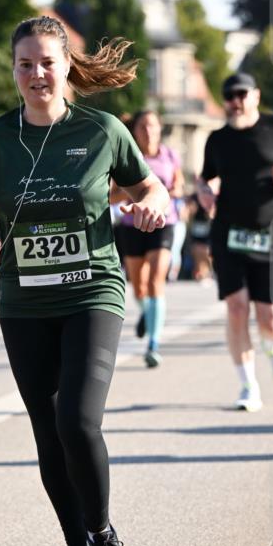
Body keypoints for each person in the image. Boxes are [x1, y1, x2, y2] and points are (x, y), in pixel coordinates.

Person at [0, 15, 169, 546]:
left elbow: (149, 185)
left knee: (77, 419)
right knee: (47, 430)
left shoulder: (102, 130)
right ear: (14, 70)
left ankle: (103, 533)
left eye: (47, 62)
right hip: (24, 302)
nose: (37, 74)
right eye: (25, 64)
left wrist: (155, 205)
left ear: (67, 65)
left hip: (93, 290)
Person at [197, 73, 273, 412]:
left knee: (270, 316)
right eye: (229, 95)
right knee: (237, 307)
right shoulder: (217, 139)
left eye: (242, 94)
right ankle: (248, 386)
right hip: (228, 232)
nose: (236, 101)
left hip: (268, 232)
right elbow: (204, 177)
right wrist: (204, 193)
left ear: (256, 96)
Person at [115, 110, 184, 367]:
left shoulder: (170, 156)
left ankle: (153, 343)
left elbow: (179, 186)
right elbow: (111, 196)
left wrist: (164, 193)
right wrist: (135, 193)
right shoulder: (127, 157)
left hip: (163, 222)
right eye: (143, 126)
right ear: (135, 130)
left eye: (153, 125)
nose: (148, 131)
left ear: (160, 128)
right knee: (138, 285)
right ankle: (147, 312)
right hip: (131, 224)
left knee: (156, 280)